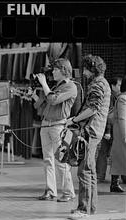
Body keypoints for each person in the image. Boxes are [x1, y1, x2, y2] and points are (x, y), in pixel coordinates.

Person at [66, 54, 111, 220]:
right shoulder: (103, 83)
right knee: (90, 170)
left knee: (84, 170)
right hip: (96, 131)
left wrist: (74, 119)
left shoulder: (98, 84)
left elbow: (93, 109)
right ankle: (90, 208)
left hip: (90, 131)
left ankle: (83, 210)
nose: (83, 72)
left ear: (92, 68)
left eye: (85, 69)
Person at [32, 58, 77, 202]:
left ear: (64, 70)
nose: (53, 72)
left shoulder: (71, 87)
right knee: (47, 160)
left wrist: (44, 84)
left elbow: (53, 100)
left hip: (58, 126)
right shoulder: (56, 86)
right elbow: (42, 105)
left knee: (61, 159)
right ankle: (51, 191)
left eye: (56, 69)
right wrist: (33, 96)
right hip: (46, 124)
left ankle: (68, 192)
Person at [96, 77, 122, 182]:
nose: (120, 87)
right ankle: (100, 175)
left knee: (105, 152)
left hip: (112, 129)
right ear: (113, 85)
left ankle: (101, 175)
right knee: (104, 151)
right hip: (109, 129)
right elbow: (109, 115)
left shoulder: (117, 97)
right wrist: (108, 131)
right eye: (118, 85)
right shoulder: (111, 97)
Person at [110, 76, 126, 192]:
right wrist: (125, 134)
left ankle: (115, 183)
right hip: (122, 132)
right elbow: (122, 118)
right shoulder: (123, 99)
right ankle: (114, 183)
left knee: (118, 157)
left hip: (120, 131)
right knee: (120, 157)